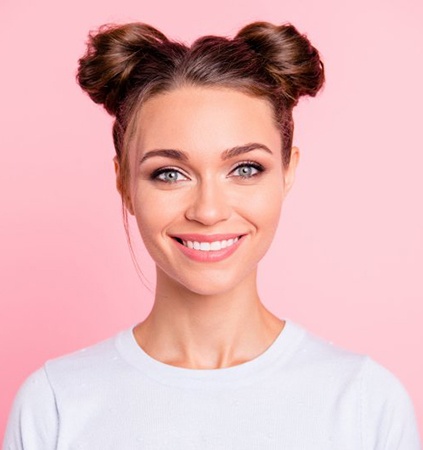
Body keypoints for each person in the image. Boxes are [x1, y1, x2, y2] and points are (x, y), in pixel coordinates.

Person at [3, 20, 421, 450]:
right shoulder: (55, 404)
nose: (209, 211)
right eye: (169, 173)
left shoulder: (365, 403)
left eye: (245, 169)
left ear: (288, 170)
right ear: (124, 183)